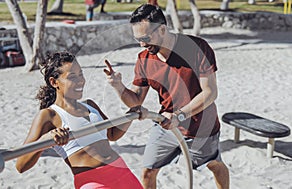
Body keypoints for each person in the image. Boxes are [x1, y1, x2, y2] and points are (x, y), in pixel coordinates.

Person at [104, 4, 230, 189]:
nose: (142, 44)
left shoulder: (197, 48)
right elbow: (136, 101)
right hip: (165, 124)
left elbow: (210, 92)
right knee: (148, 172)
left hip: (199, 126)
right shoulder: (144, 59)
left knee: (214, 165)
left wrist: (179, 115)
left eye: (146, 38)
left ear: (162, 29)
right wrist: (118, 86)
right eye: (137, 39)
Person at [15, 51, 144, 189]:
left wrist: (130, 115)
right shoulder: (48, 116)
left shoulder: (90, 105)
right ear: (54, 82)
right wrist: (46, 140)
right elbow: (21, 165)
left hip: (121, 171)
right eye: (72, 77)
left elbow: (111, 134)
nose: (80, 81)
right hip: (93, 182)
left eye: (80, 74)